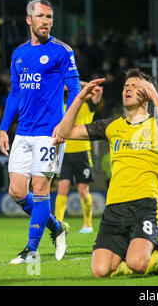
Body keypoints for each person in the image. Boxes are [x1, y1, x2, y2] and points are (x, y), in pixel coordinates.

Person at [56, 69, 158, 278]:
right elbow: (65, 132)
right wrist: (78, 98)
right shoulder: (112, 125)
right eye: (125, 87)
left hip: (145, 204)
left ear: (147, 93)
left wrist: (154, 94)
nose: (128, 90)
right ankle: (131, 254)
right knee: (100, 271)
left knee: (138, 264)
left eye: (135, 87)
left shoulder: (157, 124)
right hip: (114, 207)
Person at [0, 0, 80, 264]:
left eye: (50, 16)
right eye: (41, 16)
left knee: (41, 187)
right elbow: (15, 94)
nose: (46, 20)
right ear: (29, 20)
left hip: (50, 133)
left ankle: (31, 251)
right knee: (17, 192)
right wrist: (3, 128)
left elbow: (76, 90)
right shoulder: (19, 53)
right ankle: (56, 227)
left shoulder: (62, 51)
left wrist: (66, 123)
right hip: (23, 133)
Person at [55, 81, 103, 234]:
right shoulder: (61, 108)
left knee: (83, 190)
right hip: (64, 153)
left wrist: (79, 82)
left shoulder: (87, 105)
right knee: (62, 189)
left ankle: (88, 224)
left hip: (82, 152)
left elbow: (98, 91)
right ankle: (58, 225)